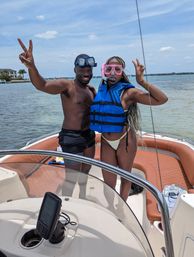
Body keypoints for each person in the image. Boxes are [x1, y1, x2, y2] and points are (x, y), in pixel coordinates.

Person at [18, 38, 97, 198]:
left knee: (86, 170)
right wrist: (32, 66)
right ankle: (66, 206)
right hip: (71, 138)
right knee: (72, 178)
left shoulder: (91, 90)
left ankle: (83, 197)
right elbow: (42, 85)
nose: (86, 73)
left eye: (89, 70)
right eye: (82, 70)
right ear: (75, 69)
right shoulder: (67, 85)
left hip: (89, 136)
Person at [90, 56, 168, 203]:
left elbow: (162, 99)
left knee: (125, 177)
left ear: (122, 72)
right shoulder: (101, 89)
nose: (113, 73)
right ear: (104, 71)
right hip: (106, 141)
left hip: (125, 140)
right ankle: (111, 208)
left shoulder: (128, 92)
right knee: (108, 183)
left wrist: (141, 81)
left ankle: (121, 208)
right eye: (109, 69)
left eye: (117, 69)